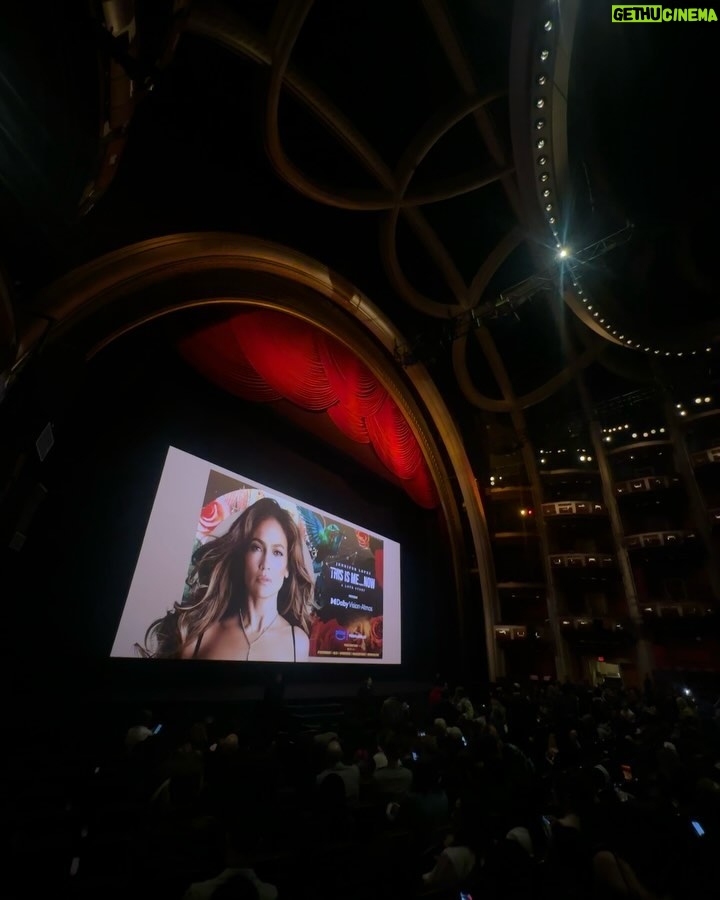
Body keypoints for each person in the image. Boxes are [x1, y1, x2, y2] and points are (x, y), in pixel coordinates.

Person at [138, 497, 314, 661]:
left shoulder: (297, 642)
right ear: (243, 558)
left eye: (277, 552)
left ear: (287, 569)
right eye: (256, 548)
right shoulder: (201, 636)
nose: (265, 563)